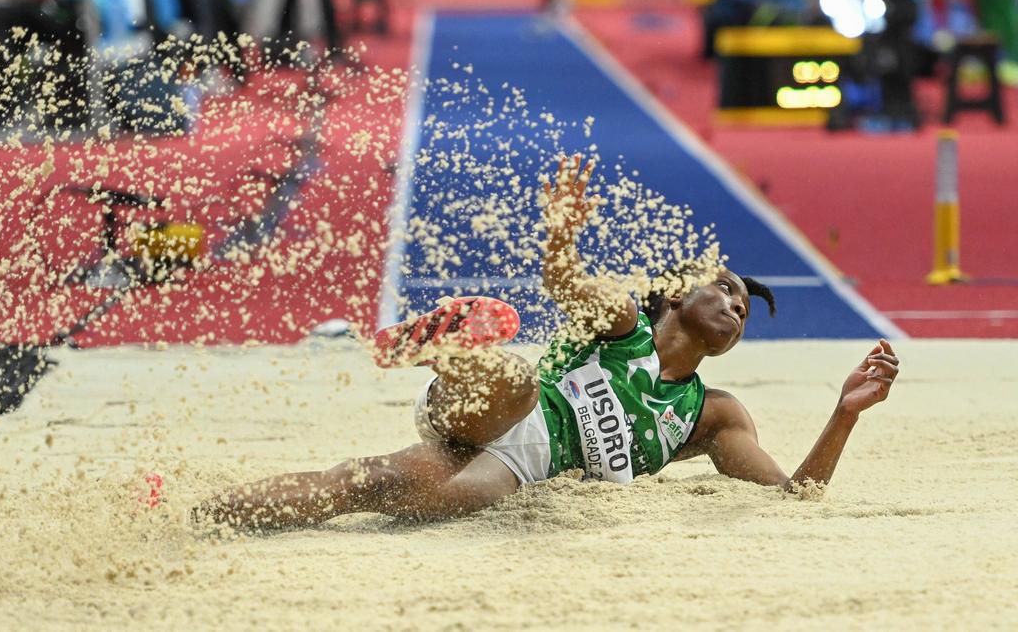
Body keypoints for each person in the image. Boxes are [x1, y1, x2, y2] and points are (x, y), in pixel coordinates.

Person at [194, 155, 900, 530]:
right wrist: (561, 232)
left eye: (747, 309)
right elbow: (564, 281)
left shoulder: (712, 413)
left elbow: (794, 495)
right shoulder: (622, 321)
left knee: (368, 486)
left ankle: (201, 513)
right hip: (496, 407)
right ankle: (455, 350)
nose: (739, 306)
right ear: (677, 291)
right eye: (727, 291)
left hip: (522, 470)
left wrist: (845, 412)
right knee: (521, 383)